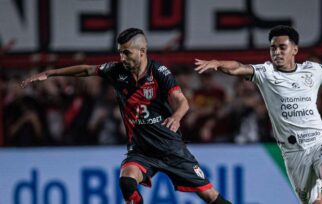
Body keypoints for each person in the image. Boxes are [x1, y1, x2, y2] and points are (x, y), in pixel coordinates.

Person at [21, 28, 231, 204]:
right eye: (120, 52)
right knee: (126, 180)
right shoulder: (116, 71)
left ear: (142, 51)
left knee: (209, 195)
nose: (122, 58)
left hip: (170, 148)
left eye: (127, 53)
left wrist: (176, 117)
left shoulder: (159, 72)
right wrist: (50, 73)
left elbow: (182, 101)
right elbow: (86, 70)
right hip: (141, 151)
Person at [195, 25, 322, 204]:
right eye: (273, 48)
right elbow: (238, 67)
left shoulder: (312, 70)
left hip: (318, 141)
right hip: (293, 152)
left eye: (282, 47)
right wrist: (218, 63)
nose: (276, 52)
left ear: (294, 50)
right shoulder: (266, 73)